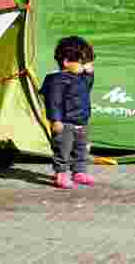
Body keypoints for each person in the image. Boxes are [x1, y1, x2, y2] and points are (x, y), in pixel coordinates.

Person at [39, 36, 96, 189]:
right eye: (81, 63)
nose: (84, 67)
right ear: (66, 62)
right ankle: (61, 174)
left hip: (81, 121)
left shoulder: (79, 78)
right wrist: (55, 120)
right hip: (65, 122)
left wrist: (90, 74)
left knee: (81, 149)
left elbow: (87, 87)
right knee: (63, 149)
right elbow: (53, 102)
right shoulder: (57, 80)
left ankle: (79, 172)